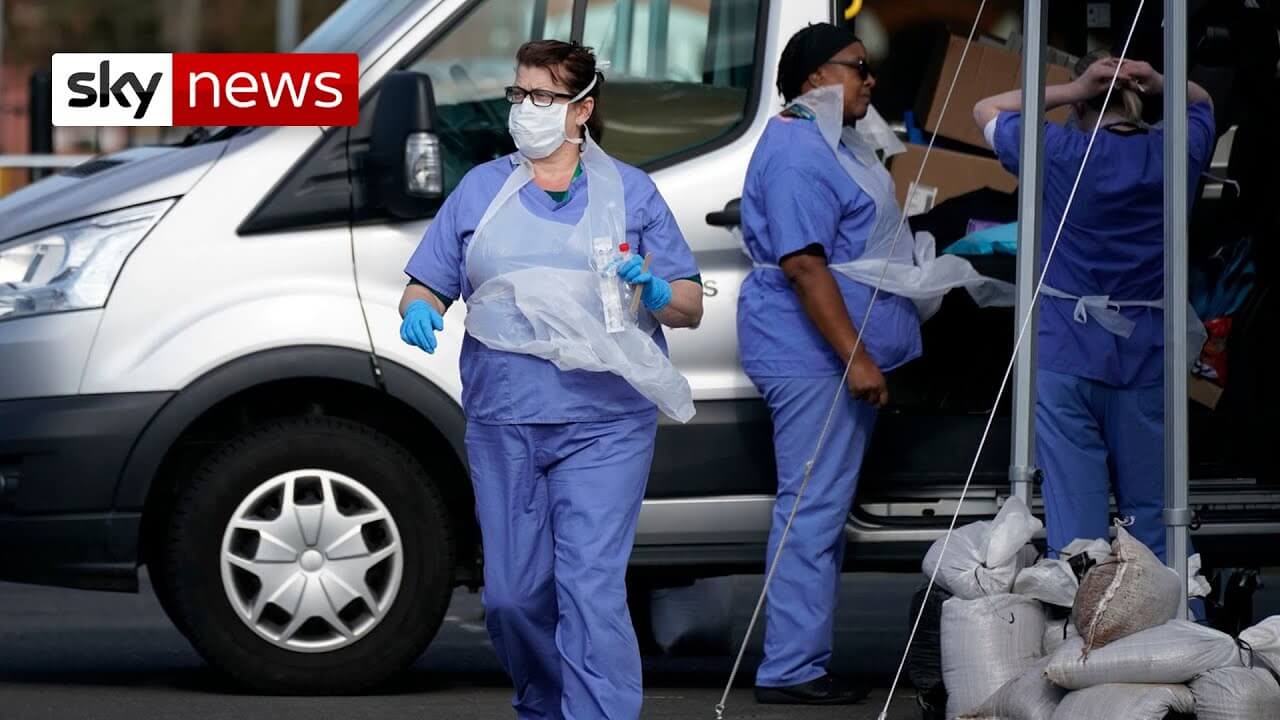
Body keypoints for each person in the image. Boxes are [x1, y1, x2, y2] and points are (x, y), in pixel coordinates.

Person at [398, 40, 703, 720]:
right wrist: (418, 311)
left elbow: (688, 306)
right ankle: (545, 702)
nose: (525, 109)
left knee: (590, 585)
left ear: (582, 109)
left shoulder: (631, 193)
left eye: (543, 96)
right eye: (519, 94)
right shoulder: (482, 189)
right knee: (512, 596)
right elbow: (426, 283)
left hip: (606, 423)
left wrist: (653, 288)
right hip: (505, 421)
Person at [736, 24, 924, 705]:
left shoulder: (830, 140)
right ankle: (791, 670)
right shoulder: (795, 151)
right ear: (815, 77)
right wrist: (858, 359)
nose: (870, 81)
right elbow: (804, 264)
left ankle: (799, 660)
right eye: (857, 69)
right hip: (814, 357)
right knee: (810, 510)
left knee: (816, 507)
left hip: (826, 354)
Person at [973, 53, 1216, 564]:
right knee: (1154, 513)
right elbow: (1203, 101)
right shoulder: (1177, 151)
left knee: (1077, 518)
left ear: (1079, 105)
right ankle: (1175, 624)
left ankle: (1087, 628)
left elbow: (984, 107)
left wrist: (1072, 87)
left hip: (1065, 352)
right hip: (1148, 352)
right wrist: (1159, 80)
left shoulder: (1059, 150)